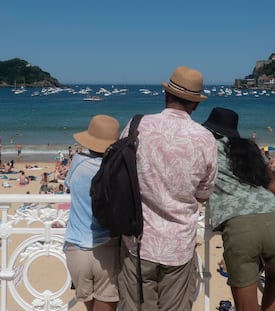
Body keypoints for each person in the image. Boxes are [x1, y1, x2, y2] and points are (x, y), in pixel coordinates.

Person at [118, 66, 218, 311]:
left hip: (137, 240)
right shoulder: (205, 138)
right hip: (178, 244)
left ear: (166, 95)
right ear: (195, 104)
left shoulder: (137, 125)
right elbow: (204, 193)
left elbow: (119, 172)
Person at [203, 107, 275, 311]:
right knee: (273, 279)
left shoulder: (207, 149)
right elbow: (274, 189)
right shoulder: (249, 150)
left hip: (240, 226)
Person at [63, 114, 121, 311]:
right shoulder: (116, 169)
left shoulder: (77, 162)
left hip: (76, 249)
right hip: (107, 248)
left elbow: (68, 185)